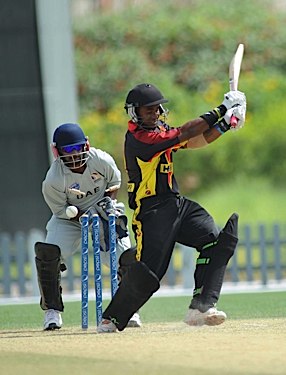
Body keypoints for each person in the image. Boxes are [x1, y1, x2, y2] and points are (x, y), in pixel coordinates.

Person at [97, 83, 247, 333]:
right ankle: (111, 318)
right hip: (151, 211)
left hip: (175, 203)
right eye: (148, 110)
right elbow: (188, 131)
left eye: (157, 109)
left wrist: (226, 124)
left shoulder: (159, 131)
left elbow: (195, 141)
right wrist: (223, 108)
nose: (155, 113)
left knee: (215, 240)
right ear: (134, 112)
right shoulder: (141, 140)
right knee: (149, 273)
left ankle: (200, 307)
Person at [34, 122, 142, 330]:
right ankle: (52, 312)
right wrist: (86, 218)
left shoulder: (101, 160)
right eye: (68, 150)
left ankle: (129, 310)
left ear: (86, 145)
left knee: (126, 256)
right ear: (58, 151)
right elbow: (62, 211)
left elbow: (115, 183)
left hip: (104, 212)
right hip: (70, 218)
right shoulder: (53, 179)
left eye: (77, 148)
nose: (74, 155)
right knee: (49, 253)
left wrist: (106, 207)